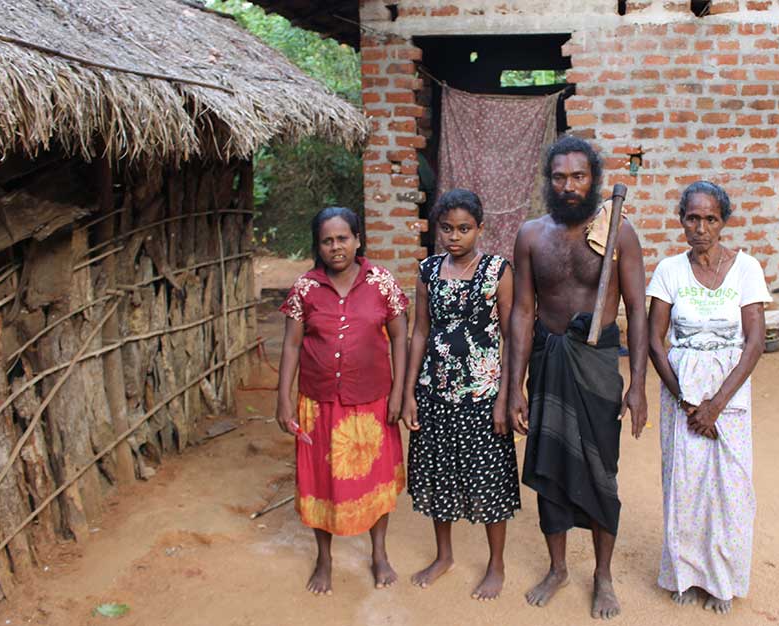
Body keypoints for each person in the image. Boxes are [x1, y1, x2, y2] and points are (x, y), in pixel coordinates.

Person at [506, 136, 649, 620]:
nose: (569, 186)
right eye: (560, 177)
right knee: (551, 471)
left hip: (597, 367)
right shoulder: (530, 235)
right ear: (549, 181)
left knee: (600, 472)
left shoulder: (618, 232)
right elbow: (523, 313)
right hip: (548, 363)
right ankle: (558, 567)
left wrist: (639, 387)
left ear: (594, 179)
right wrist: (513, 387)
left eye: (579, 176)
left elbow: (637, 312)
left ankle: (603, 575)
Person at [646, 182, 771, 615]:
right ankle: (683, 573)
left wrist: (715, 403)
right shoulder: (669, 270)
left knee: (730, 487)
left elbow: (755, 342)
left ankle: (722, 580)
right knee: (684, 482)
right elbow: (654, 340)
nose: (701, 228)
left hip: (729, 389)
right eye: (692, 218)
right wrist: (683, 399)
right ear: (681, 220)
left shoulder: (746, 269)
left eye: (710, 219)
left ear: (724, 221)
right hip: (680, 388)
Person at [275, 207, 410, 596]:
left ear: (357, 240)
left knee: (376, 481)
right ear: (318, 246)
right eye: (327, 240)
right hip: (319, 404)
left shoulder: (381, 282)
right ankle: (324, 558)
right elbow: (292, 344)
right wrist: (283, 399)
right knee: (321, 483)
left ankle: (379, 553)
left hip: (371, 401)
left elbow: (400, 336)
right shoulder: (305, 288)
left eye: (343, 238)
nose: (336, 247)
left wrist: (400, 391)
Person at [400, 189, 520, 600]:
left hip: (483, 395)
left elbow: (510, 336)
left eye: (464, 229)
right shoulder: (428, 271)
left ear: (480, 229)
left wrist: (506, 396)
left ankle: (496, 564)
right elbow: (419, 332)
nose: (455, 236)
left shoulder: (497, 270)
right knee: (438, 475)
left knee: (490, 480)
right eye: (447, 228)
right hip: (435, 393)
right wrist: (409, 392)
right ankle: (444, 555)